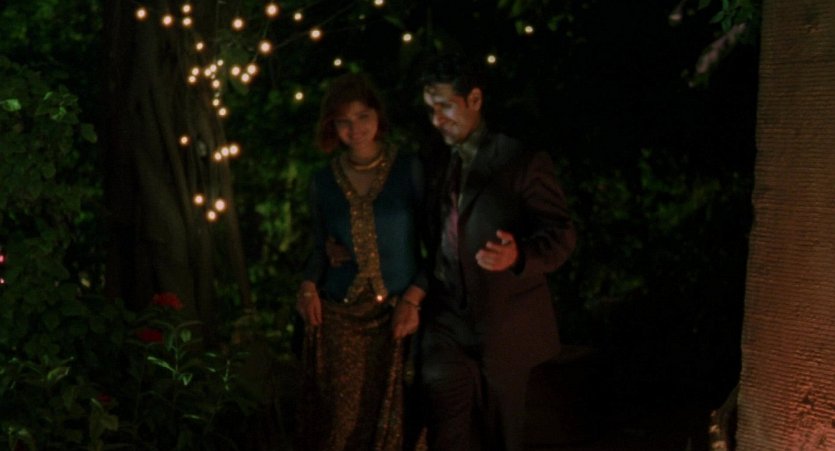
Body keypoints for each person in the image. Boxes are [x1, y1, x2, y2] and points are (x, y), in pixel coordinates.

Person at [414, 54, 576, 451]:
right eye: (431, 109)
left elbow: (560, 235)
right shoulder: (434, 159)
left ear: (474, 99)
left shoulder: (519, 160)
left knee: (503, 433)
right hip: (447, 320)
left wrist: (518, 255)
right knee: (444, 423)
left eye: (445, 107)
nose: (437, 120)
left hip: (504, 323)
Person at [294, 73, 426, 451]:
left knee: (397, 420)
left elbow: (435, 247)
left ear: (378, 116)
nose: (356, 129)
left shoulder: (409, 169)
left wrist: (415, 298)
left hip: (398, 313)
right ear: (332, 127)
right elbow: (319, 248)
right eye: (344, 121)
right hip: (341, 315)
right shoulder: (323, 181)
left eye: (363, 116)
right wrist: (308, 287)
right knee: (341, 421)